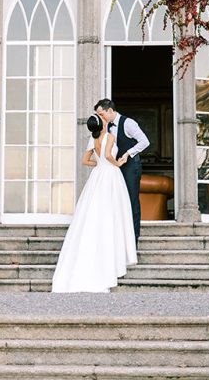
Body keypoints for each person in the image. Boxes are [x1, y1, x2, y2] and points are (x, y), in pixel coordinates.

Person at [51, 113, 137, 293]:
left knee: (94, 211)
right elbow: (108, 155)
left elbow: (85, 161)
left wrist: (98, 165)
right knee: (113, 211)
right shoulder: (109, 137)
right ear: (102, 124)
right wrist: (118, 163)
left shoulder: (93, 139)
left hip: (98, 175)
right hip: (110, 174)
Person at [94, 98, 149, 245]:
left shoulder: (129, 123)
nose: (100, 117)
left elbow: (145, 141)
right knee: (115, 201)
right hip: (113, 168)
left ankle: (133, 239)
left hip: (130, 166)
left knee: (131, 200)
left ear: (110, 110)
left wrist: (128, 153)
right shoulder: (105, 127)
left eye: (101, 114)